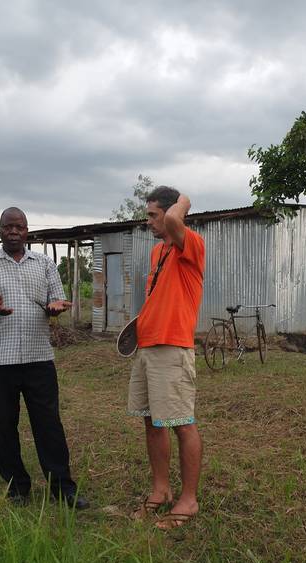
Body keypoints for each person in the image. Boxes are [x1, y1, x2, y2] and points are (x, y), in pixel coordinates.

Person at [0, 207, 88, 509]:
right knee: (3, 426)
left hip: (38, 359)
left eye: (19, 227)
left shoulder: (44, 263)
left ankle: (62, 488)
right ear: (0, 230)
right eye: (8, 227)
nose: (14, 232)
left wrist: (55, 308)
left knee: (48, 425)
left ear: (27, 230)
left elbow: (53, 301)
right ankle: (17, 488)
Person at [128, 186, 205, 529]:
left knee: (181, 423)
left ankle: (188, 501)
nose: (149, 222)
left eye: (153, 215)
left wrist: (182, 201)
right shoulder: (157, 253)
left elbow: (176, 218)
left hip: (173, 348)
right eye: (147, 215)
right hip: (148, 347)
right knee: (151, 420)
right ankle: (161, 490)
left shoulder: (191, 245)